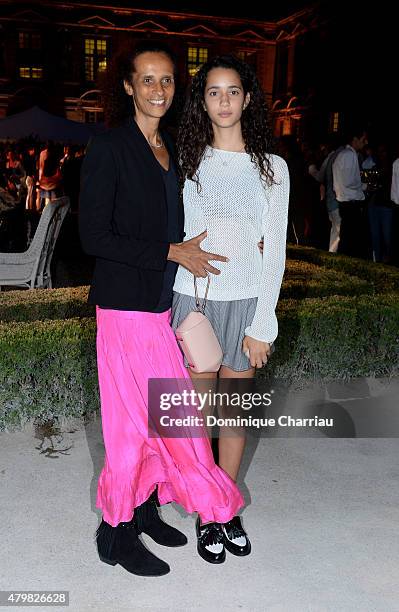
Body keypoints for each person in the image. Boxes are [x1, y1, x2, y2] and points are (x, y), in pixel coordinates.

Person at [78, 42, 244, 577]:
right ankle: (115, 531)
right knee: (131, 428)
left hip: (158, 309)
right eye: (147, 80)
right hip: (124, 309)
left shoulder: (168, 148)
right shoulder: (110, 148)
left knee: (165, 419)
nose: (158, 90)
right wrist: (172, 252)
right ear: (127, 86)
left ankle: (145, 508)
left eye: (167, 81)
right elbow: (93, 235)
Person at [172, 54, 290, 561]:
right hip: (194, 300)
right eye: (213, 91)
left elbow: (275, 248)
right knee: (196, 418)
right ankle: (205, 510)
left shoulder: (272, 168)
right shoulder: (187, 161)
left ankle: (226, 507)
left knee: (234, 414)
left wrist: (265, 321)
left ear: (246, 98)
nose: (223, 100)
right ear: (203, 100)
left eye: (232, 91)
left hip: (245, 302)